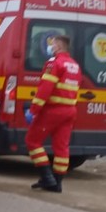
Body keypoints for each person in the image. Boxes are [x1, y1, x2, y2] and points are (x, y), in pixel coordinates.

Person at [25, 35, 81, 193]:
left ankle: (47, 177)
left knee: (32, 141)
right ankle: (57, 182)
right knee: (62, 147)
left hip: (53, 110)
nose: (51, 47)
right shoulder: (74, 65)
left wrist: (33, 110)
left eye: (53, 44)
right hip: (70, 110)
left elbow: (45, 88)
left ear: (58, 46)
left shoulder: (54, 63)